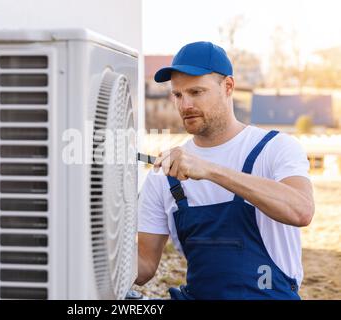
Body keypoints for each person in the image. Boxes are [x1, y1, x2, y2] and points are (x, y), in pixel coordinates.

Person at [135, 41, 314, 300]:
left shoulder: (275, 148)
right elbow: (144, 268)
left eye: (196, 92)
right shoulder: (164, 174)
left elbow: (301, 210)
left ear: (228, 86)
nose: (185, 105)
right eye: (178, 95)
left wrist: (210, 170)